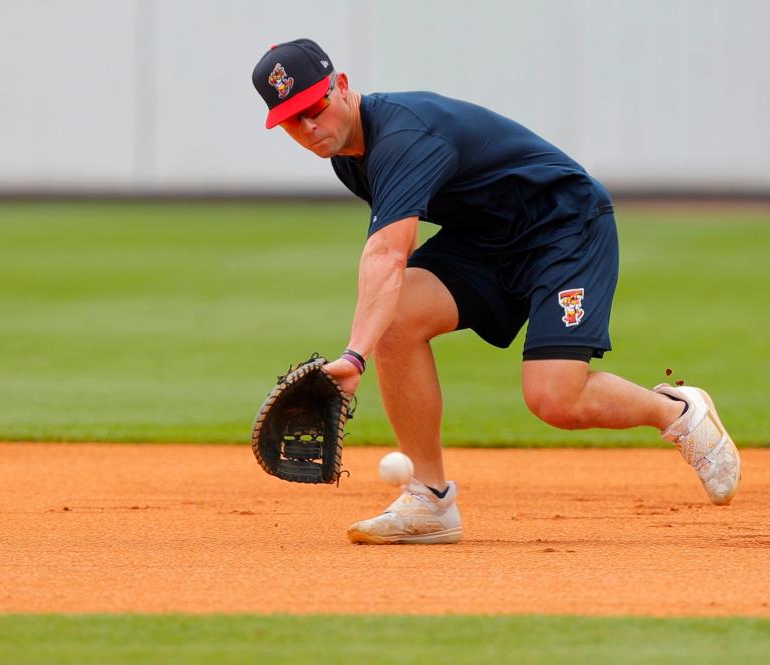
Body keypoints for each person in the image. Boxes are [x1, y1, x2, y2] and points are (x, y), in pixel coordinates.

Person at [251, 39, 741, 544]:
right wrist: (367, 341)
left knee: (555, 398)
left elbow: (387, 254)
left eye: (315, 107)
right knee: (396, 319)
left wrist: (354, 358)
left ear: (344, 87)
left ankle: (680, 413)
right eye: (292, 120)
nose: (309, 127)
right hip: (487, 240)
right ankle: (429, 500)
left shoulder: (400, 136)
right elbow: (388, 257)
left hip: (562, 227)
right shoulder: (348, 157)